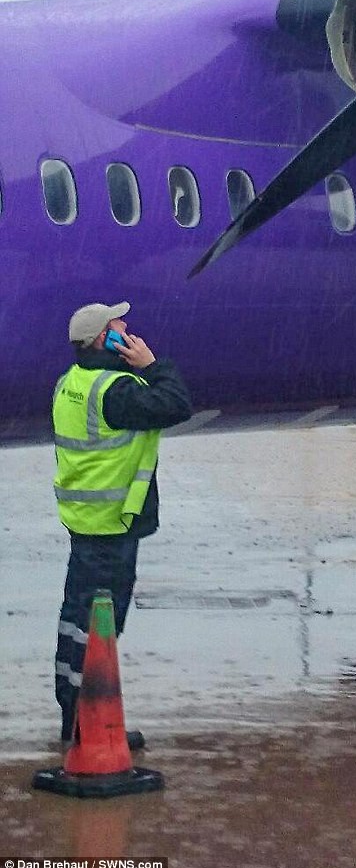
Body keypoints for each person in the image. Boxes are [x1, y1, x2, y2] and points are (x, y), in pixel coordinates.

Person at [52, 300, 192, 746]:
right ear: (103, 339)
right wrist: (152, 364)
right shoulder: (116, 392)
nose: (126, 326)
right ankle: (90, 726)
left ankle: (76, 718)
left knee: (78, 622)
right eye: (117, 324)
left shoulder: (72, 382)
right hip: (111, 527)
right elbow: (176, 405)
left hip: (86, 520)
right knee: (98, 628)